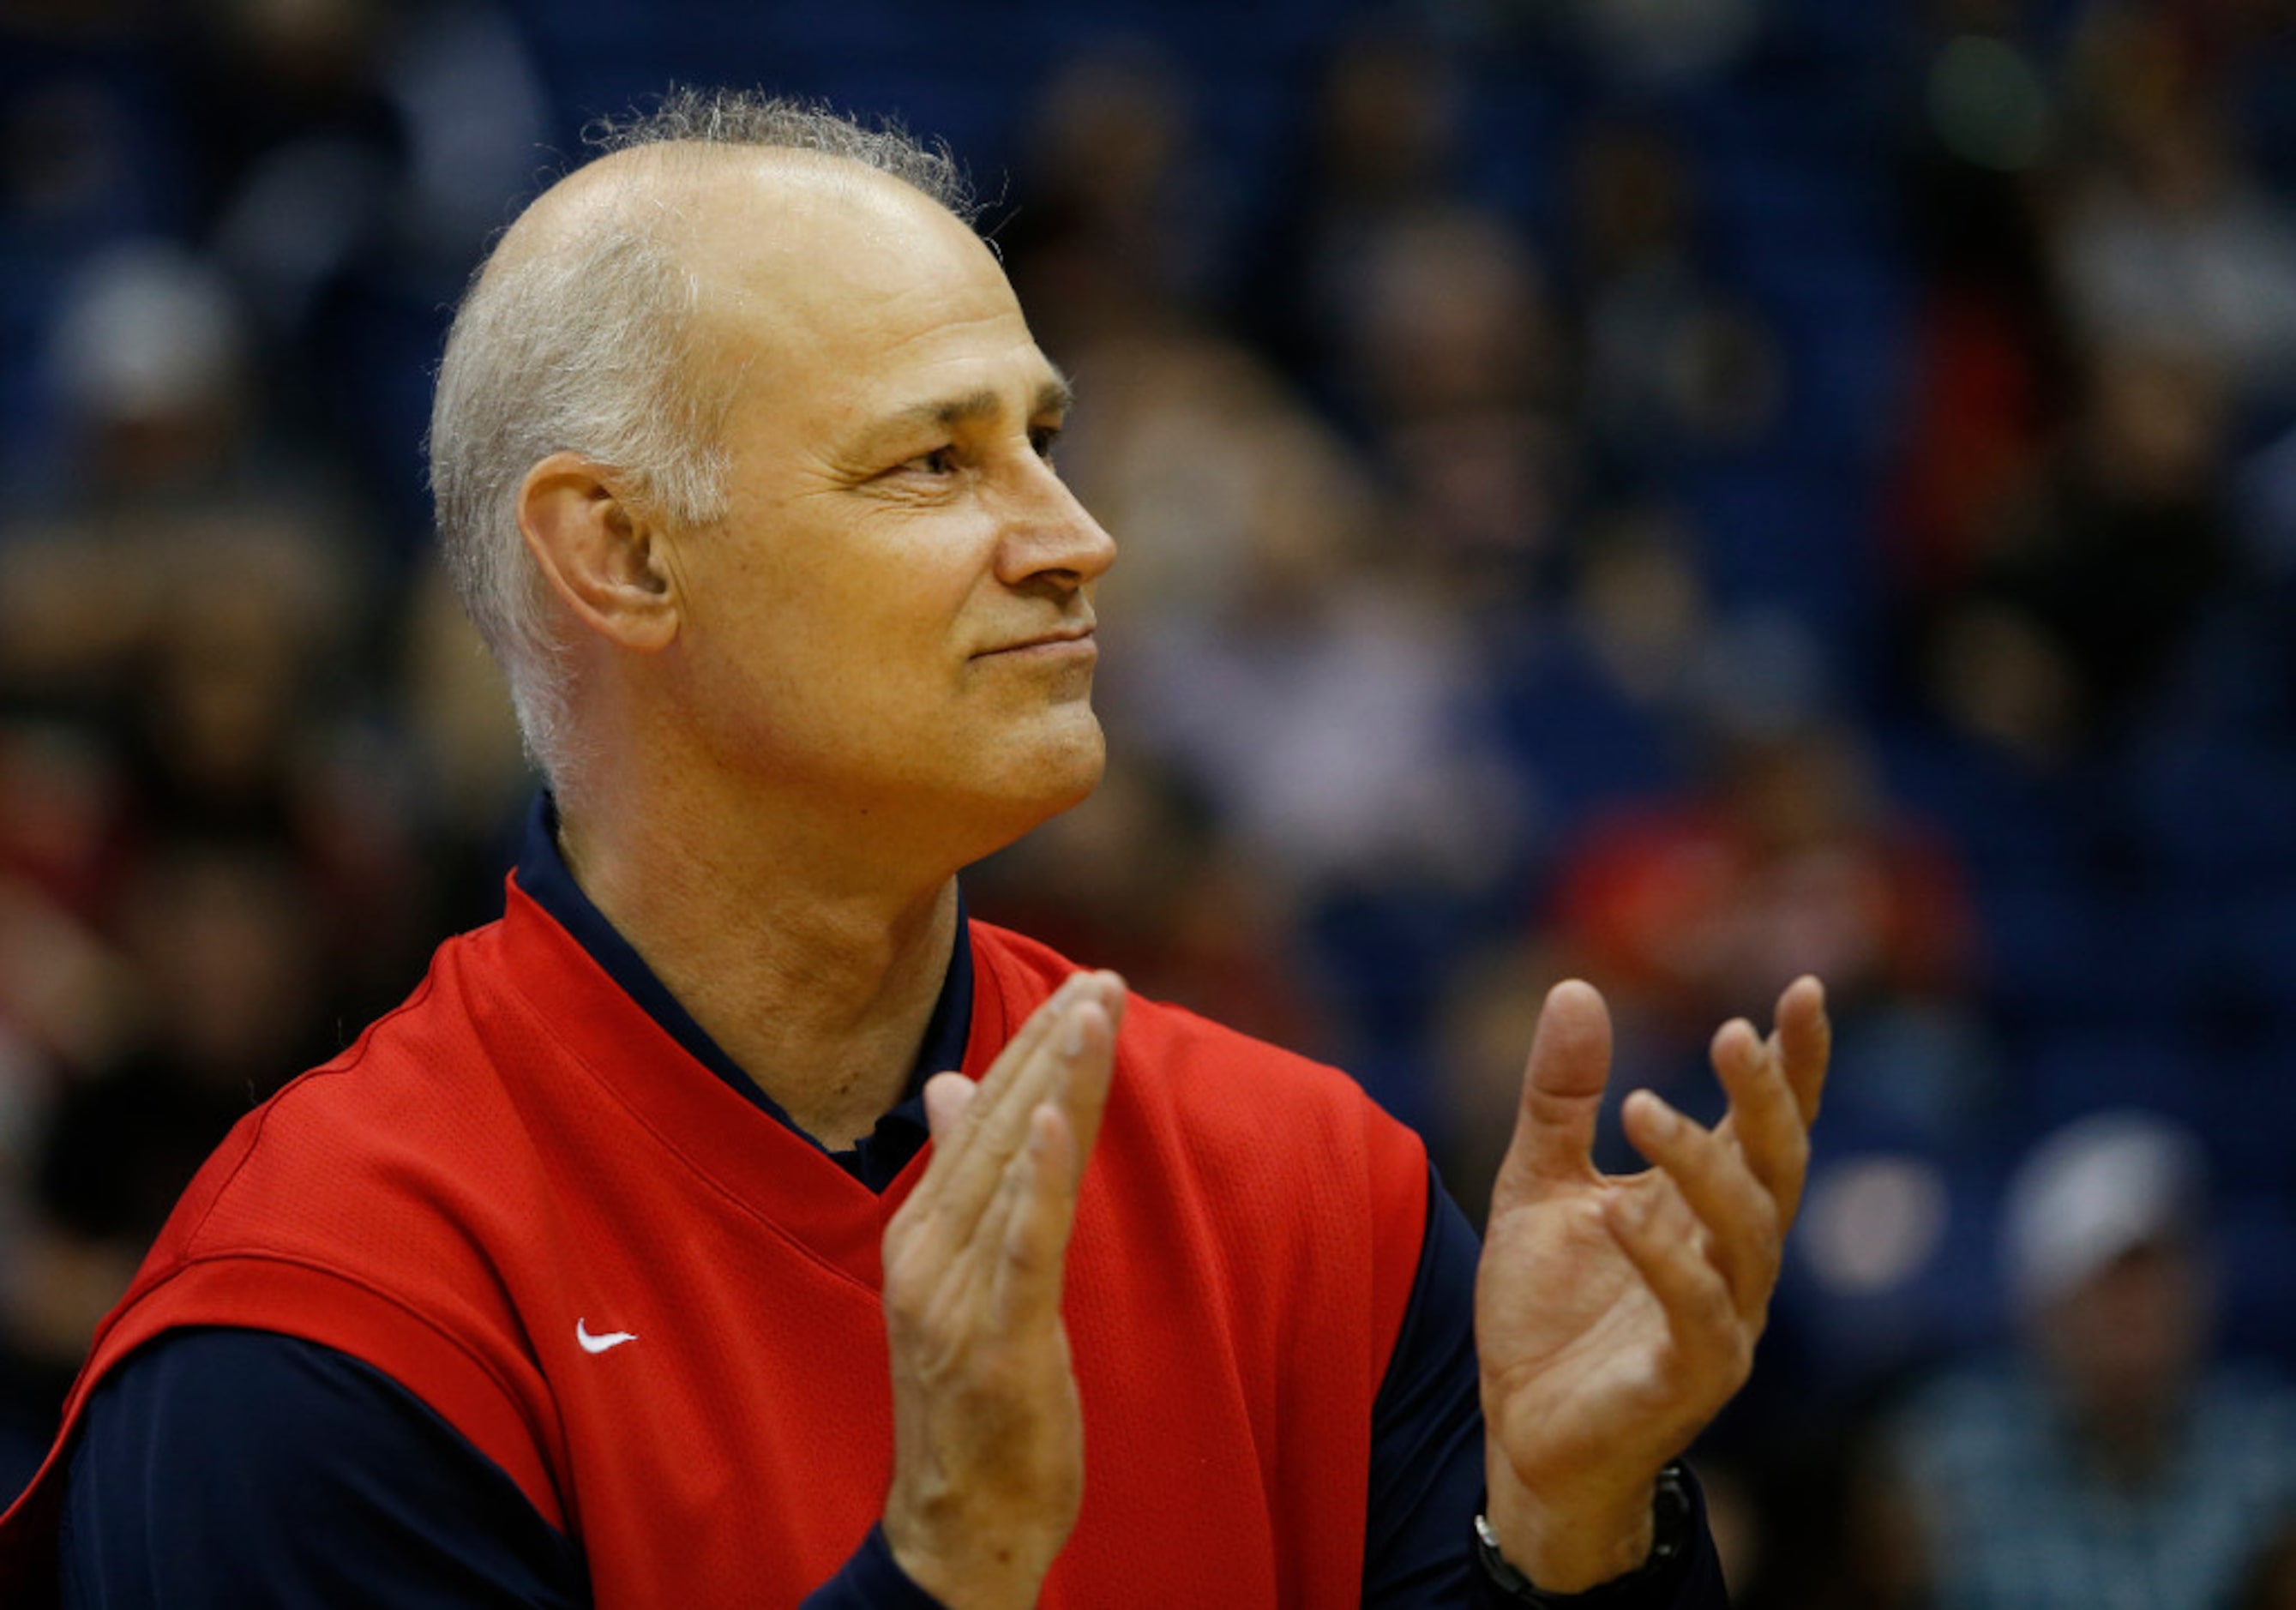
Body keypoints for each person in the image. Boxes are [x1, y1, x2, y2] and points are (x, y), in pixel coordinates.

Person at [0, 92, 1830, 1607]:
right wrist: (936, 1571)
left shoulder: (1313, 1191)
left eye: (1040, 436)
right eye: (932, 465)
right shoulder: (324, 1319)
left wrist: (1572, 1536)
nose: (1080, 537)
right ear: (623, 558)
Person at [1889, 1109, 2296, 1609]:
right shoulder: (1943, 1450)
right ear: (2041, 1304)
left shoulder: (2269, 1448)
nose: (2139, 1308)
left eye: (2159, 1275)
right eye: (2109, 1282)